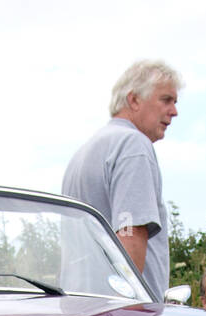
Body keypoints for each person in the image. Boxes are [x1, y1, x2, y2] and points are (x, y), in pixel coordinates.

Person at [62, 60, 181, 301]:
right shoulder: (132, 145)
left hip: (78, 309)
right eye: (166, 100)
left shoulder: (84, 153)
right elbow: (130, 235)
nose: (174, 111)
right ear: (134, 100)